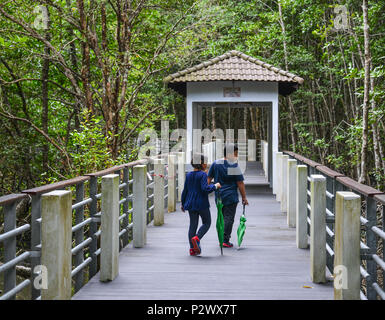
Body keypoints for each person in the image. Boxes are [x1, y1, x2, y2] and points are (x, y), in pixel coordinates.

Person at [208, 143, 248, 248]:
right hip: (231, 196)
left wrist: (205, 191)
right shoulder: (233, 165)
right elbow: (240, 183)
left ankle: (221, 237)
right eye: (235, 153)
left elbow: (208, 179)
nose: (236, 155)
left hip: (219, 195)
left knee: (221, 217)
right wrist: (244, 197)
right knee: (229, 218)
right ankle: (225, 240)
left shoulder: (216, 164)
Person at [181, 153, 221, 256]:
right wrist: (215, 186)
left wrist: (182, 203)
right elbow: (205, 189)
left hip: (190, 204)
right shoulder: (203, 174)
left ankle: (192, 249)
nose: (206, 164)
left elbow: (185, 190)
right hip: (202, 204)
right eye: (205, 163)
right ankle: (197, 238)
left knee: (192, 225)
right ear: (201, 164)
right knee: (207, 222)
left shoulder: (189, 175)